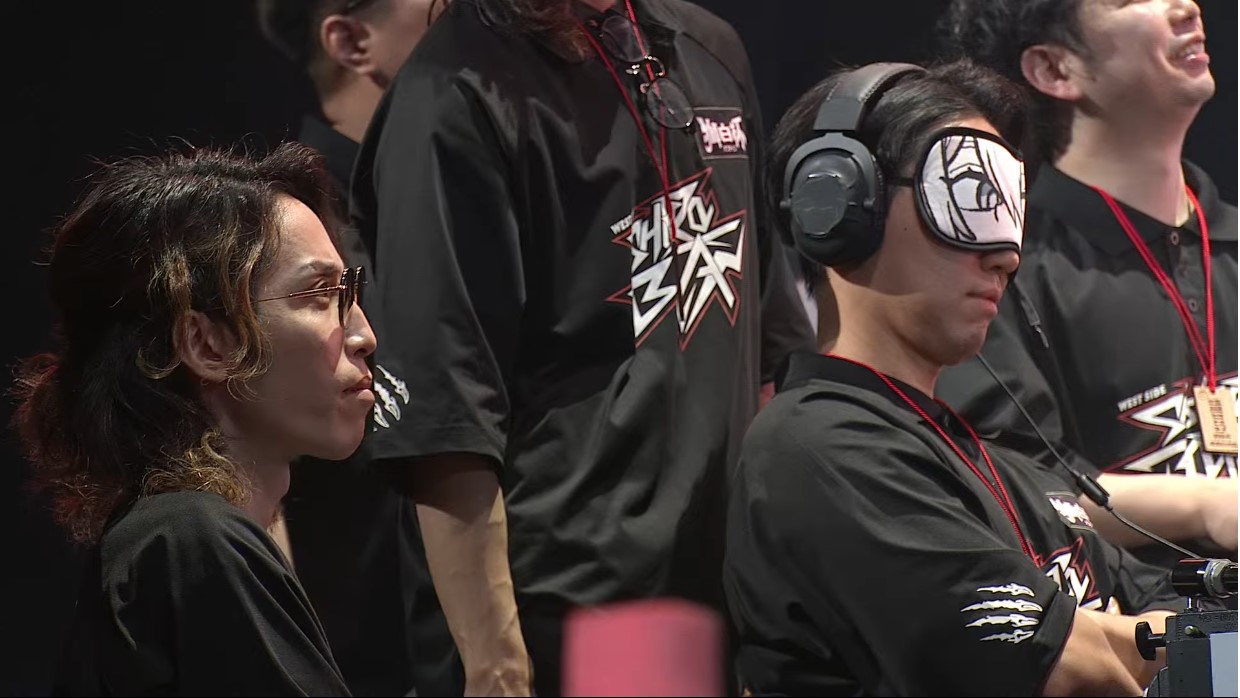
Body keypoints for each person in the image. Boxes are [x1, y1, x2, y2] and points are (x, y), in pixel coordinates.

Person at [349, 0, 816, 693]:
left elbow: (769, 349)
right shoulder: (454, 92)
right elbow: (445, 414)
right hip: (569, 609)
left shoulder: (708, 47)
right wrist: (497, 666)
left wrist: (774, 587)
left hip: (717, 595)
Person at [724, 60, 1182, 696]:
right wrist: (1140, 641)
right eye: (966, 199)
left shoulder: (1003, 472)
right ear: (840, 205)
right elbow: (1068, 670)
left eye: (1007, 206)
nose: (1005, 256)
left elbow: (1187, 611)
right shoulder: (819, 449)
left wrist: (1151, 636)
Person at [13, 143, 375, 695]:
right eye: (320, 293)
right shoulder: (192, 541)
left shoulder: (176, 535)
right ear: (206, 344)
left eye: (349, 291)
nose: (363, 334)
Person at [933, 0, 1237, 569]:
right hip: (1135, 615)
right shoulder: (1001, 267)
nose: (1185, 8)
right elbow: (1014, 484)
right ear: (1054, 69)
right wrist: (1206, 506)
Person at [257, 1, 462, 694]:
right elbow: (240, 462)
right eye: (439, 10)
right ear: (350, 41)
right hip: (361, 660)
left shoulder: (471, 197)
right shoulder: (283, 231)